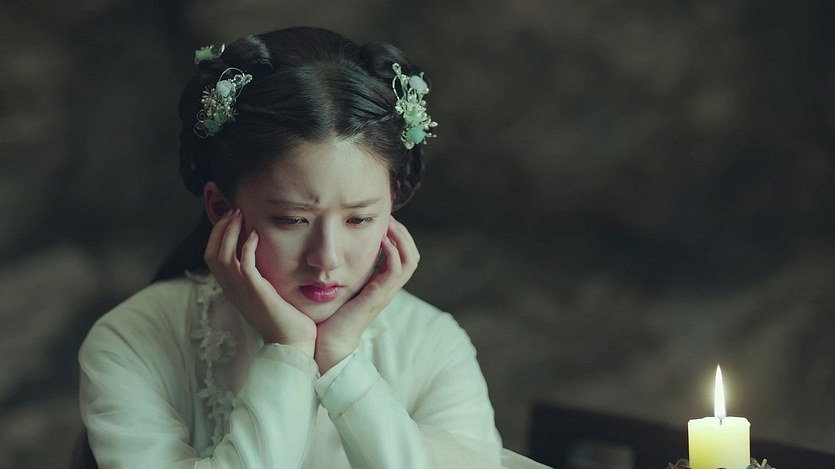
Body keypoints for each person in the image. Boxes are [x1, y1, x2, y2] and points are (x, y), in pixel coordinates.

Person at [77, 26, 549, 469]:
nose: (327, 258)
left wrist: (340, 358)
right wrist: (289, 351)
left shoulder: (432, 343)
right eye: (291, 220)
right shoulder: (133, 338)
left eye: (359, 219)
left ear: (392, 205)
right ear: (221, 207)